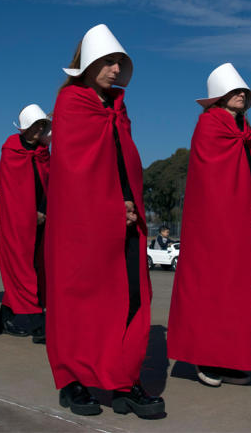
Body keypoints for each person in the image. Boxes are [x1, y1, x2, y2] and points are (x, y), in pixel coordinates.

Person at [46, 24, 164, 419]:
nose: (115, 70)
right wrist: (114, 207)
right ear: (88, 64)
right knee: (80, 298)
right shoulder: (71, 103)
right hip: (83, 226)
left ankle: (124, 380)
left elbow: (125, 163)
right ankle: (73, 380)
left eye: (119, 63)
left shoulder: (118, 108)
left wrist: (129, 205)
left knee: (130, 298)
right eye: (107, 62)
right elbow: (75, 174)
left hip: (126, 220)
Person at [167, 63, 251, 388]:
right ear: (219, 98)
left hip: (250, 226)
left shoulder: (247, 134)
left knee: (242, 292)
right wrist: (245, 212)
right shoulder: (211, 127)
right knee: (215, 290)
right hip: (220, 229)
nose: (242, 94)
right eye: (235, 91)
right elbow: (213, 188)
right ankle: (205, 357)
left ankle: (228, 357)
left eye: (245, 92)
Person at [0, 103, 51, 343]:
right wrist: (30, 215)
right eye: (36, 124)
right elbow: (13, 194)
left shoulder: (43, 154)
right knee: (23, 270)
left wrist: (43, 211)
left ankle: (4, 318)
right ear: (25, 127)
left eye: (43, 124)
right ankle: (39, 326)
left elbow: (50, 187)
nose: (40, 128)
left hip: (42, 221)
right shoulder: (12, 150)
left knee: (37, 269)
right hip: (18, 223)